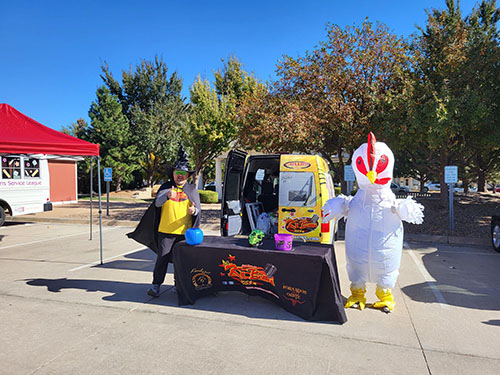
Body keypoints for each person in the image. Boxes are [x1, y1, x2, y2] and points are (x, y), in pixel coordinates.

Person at [127, 145, 201, 297]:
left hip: (185, 233)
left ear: (187, 175)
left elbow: (198, 209)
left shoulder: (192, 189)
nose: (180, 175)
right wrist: (167, 195)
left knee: (182, 261)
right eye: (177, 173)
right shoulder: (166, 187)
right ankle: (155, 286)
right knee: (163, 258)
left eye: (183, 173)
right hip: (165, 232)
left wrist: (194, 211)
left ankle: (178, 285)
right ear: (173, 174)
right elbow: (157, 204)